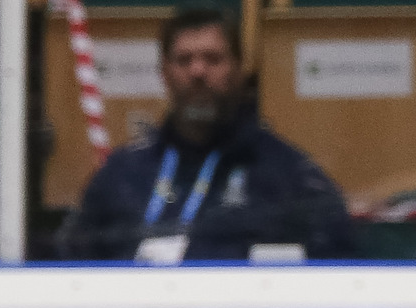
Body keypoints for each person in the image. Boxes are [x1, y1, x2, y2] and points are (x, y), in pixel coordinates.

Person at [56, 7, 353, 262]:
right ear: (165, 73)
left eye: (213, 59)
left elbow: (343, 276)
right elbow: (71, 271)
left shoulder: (288, 175)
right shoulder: (122, 175)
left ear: (238, 70)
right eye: (184, 60)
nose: (198, 71)